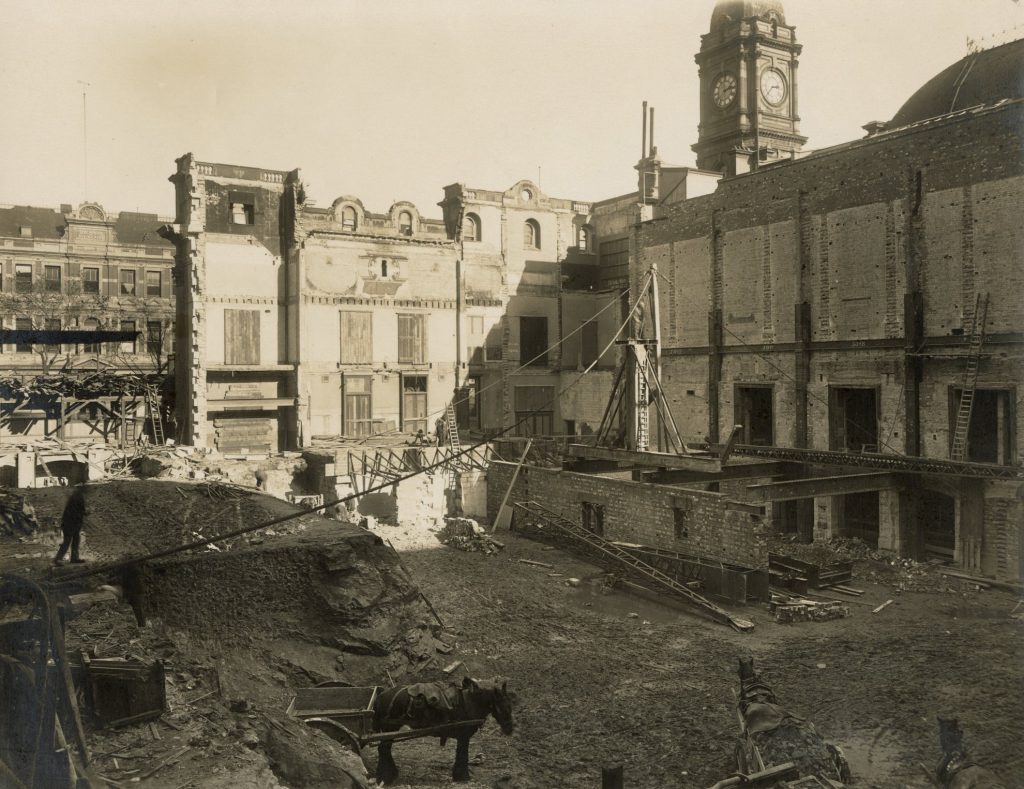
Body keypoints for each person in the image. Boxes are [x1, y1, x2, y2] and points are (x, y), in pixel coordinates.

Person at [54, 485, 88, 565]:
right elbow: (77, 511)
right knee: (67, 541)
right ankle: (58, 559)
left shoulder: (76, 496)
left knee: (76, 540)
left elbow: (79, 510)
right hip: (70, 523)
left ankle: (74, 558)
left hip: (73, 523)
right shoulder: (77, 497)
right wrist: (85, 513)